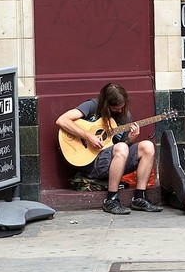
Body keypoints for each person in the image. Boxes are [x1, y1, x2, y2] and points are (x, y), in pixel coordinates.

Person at [56, 83, 163, 214]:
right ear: (106, 104)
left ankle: (139, 197)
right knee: (121, 148)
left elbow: (123, 147)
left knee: (147, 146)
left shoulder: (125, 116)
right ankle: (111, 200)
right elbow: (62, 120)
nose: (119, 111)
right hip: (91, 162)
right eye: (115, 108)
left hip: (113, 161)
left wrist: (131, 138)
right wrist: (88, 136)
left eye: (121, 107)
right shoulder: (92, 106)